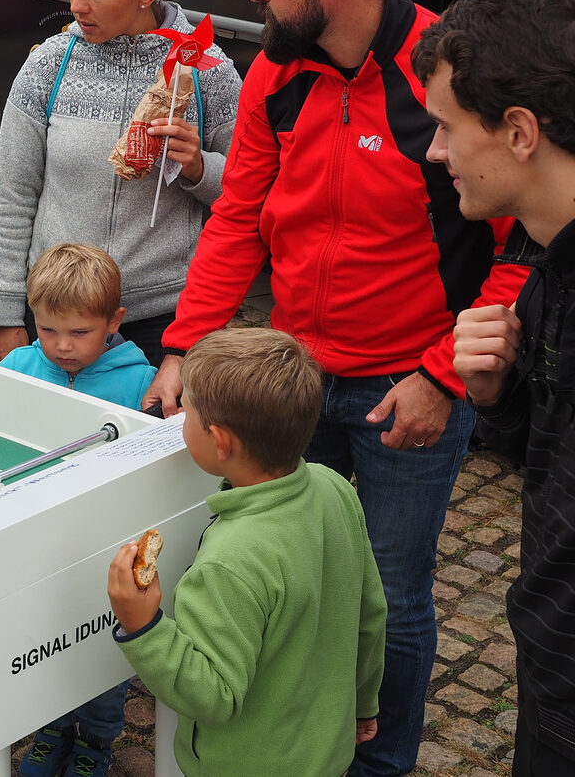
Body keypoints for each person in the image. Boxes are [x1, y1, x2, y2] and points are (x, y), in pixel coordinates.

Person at [144, 0, 529, 777]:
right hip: (293, 385)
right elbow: (239, 214)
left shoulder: (447, 71)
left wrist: (440, 376)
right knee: (289, 580)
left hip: (409, 389)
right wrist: (185, 345)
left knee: (388, 598)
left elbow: (522, 253)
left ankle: (378, 763)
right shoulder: (277, 66)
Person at [417, 0, 575, 777]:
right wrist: (497, 394)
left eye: (447, 127)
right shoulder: (544, 260)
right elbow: (544, 457)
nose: (436, 151)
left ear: (519, 131)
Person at [110, 327, 387, 777]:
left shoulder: (229, 562)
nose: (182, 421)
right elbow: (370, 614)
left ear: (220, 441)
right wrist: (364, 702)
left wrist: (143, 627)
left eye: (188, 414)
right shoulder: (334, 487)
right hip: (326, 752)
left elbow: (213, 695)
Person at [0, 0, 241, 367]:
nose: (76, 5)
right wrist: (7, 317)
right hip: (54, 316)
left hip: (162, 321)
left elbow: (248, 195)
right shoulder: (49, 64)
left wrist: (201, 168)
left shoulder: (207, 71)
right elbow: (13, 196)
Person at [0, 244, 154, 777]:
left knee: (101, 647)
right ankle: (51, 727)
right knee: (39, 640)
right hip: (36, 541)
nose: (62, 347)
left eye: (79, 333)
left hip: (103, 545)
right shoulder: (21, 365)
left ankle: (97, 740)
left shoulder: (138, 383)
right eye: (48, 331)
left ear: (114, 322)